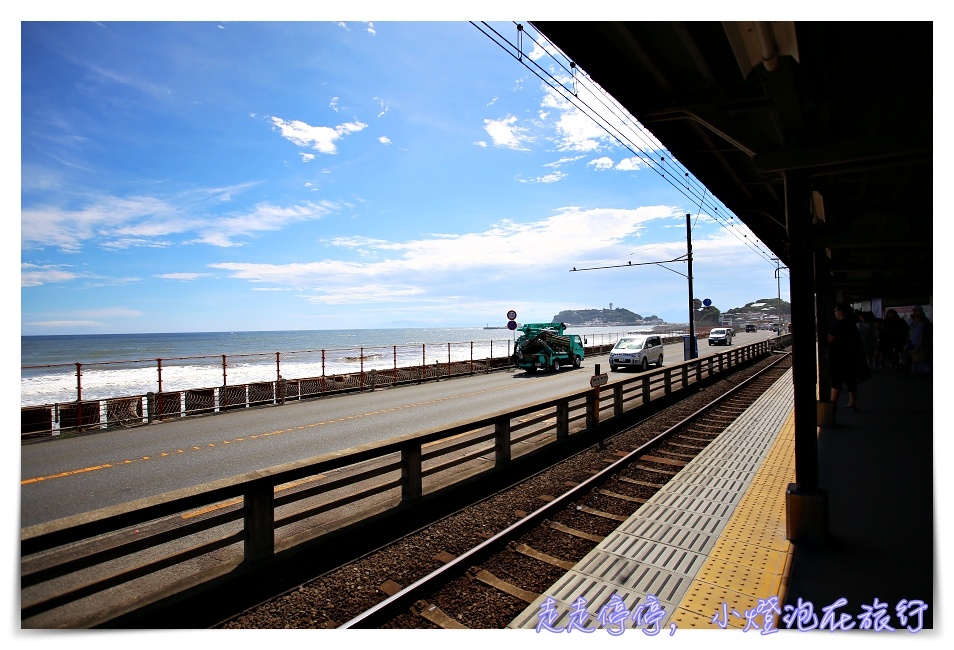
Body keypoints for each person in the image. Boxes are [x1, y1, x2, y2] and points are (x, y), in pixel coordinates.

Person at [828, 302, 862, 411]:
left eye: (835, 310)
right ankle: (852, 402)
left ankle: (833, 404)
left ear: (841, 311)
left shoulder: (839, 324)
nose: (835, 312)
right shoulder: (852, 323)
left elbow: (831, 339)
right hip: (851, 354)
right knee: (851, 379)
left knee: (836, 380)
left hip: (839, 356)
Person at [907, 305, 932, 375]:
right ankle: (918, 370)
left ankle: (924, 370)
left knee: (922, 356)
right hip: (915, 341)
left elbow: (923, 334)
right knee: (917, 356)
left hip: (920, 342)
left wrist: (921, 343)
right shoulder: (915, 321)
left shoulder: (923, 323)